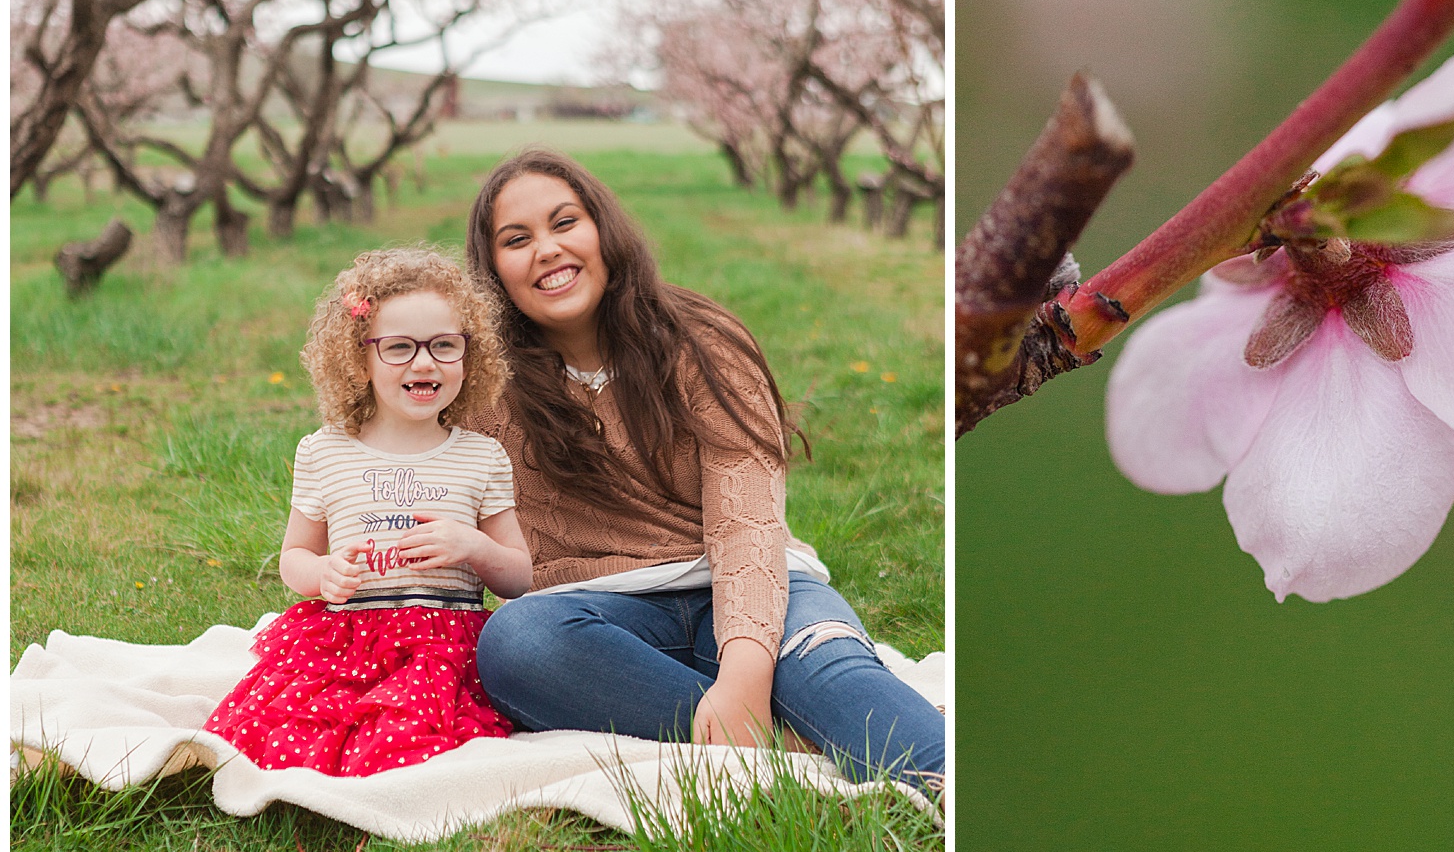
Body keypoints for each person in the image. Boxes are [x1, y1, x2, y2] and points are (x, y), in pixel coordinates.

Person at [464, 149, 945, 792]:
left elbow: (746, 520)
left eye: (565, 222)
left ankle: (952, 802)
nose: (547, 249)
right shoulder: (484, 388)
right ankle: (785, 743)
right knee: (516, 643)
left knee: (832, 674)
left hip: (758, 589)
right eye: (517, 240)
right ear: (493, 270)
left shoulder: (699, 342)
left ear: (603, 230)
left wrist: (746, 668)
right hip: (601, 619)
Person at [203, 248, 533, 775]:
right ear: (360, 359)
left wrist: (473, 547)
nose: (424, 362)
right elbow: (294, 556)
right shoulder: (324, 451)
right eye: (399, 347)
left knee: (407, 737)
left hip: (443, 646)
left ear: (469, 357)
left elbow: (520, 576)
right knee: (285, 728)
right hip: (346, 638)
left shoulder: (482, 455)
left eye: (444, 345)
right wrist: (323, 573)